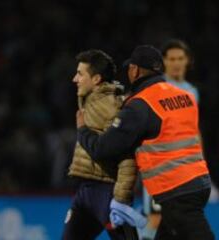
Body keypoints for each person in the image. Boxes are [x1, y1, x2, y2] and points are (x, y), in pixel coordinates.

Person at [76, 45, 214, 240]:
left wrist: (82, 129)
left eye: (130, 68)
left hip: (176, 190)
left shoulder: (140, 105)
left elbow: (102, 148)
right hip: (199, 182)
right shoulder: (186, 96)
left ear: (135, 70)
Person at [62, 49, 139, 240]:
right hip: (86, 191)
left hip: (107, 193)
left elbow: (127, 155)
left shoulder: (112, 107)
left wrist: (121, 199)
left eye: (80, 74)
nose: (74, 79)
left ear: (96, 79)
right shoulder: (91, 102)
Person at [141, 39, 201, 240]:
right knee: (155, 218)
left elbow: (193, 131)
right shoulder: (154, 89)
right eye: (171, 58)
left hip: (184, 170)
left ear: (187, 61)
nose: (176, 63)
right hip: (159, 168)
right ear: (164, 62)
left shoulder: (191, 92)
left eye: (180, 58)